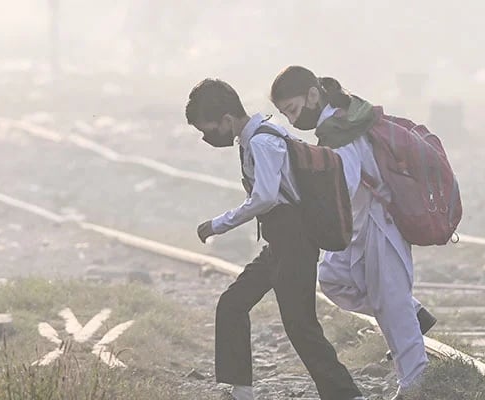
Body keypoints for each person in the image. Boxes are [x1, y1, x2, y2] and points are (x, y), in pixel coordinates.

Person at [185, 78, 366, 400]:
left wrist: (219, 224)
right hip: (281, 242)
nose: (207, 138)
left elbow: (265, 197)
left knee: (300, 325)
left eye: (209, 129)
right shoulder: (256, 136)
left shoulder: (262, 142)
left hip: (294, 241)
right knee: (233, 304)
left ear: (227, 120)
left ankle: (346, 395)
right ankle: (240, 389)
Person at [270, 65, 436, 399]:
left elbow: (343, 183)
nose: (292, 119)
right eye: (286, 114)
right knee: (333, 277)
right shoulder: (337, 123)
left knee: (391, 301)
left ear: (313, 95)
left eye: (293, 109)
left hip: (379, 221)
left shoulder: (338, 131)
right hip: (360, 222)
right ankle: (413, 316)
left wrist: (306, 200)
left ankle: (417, 384)